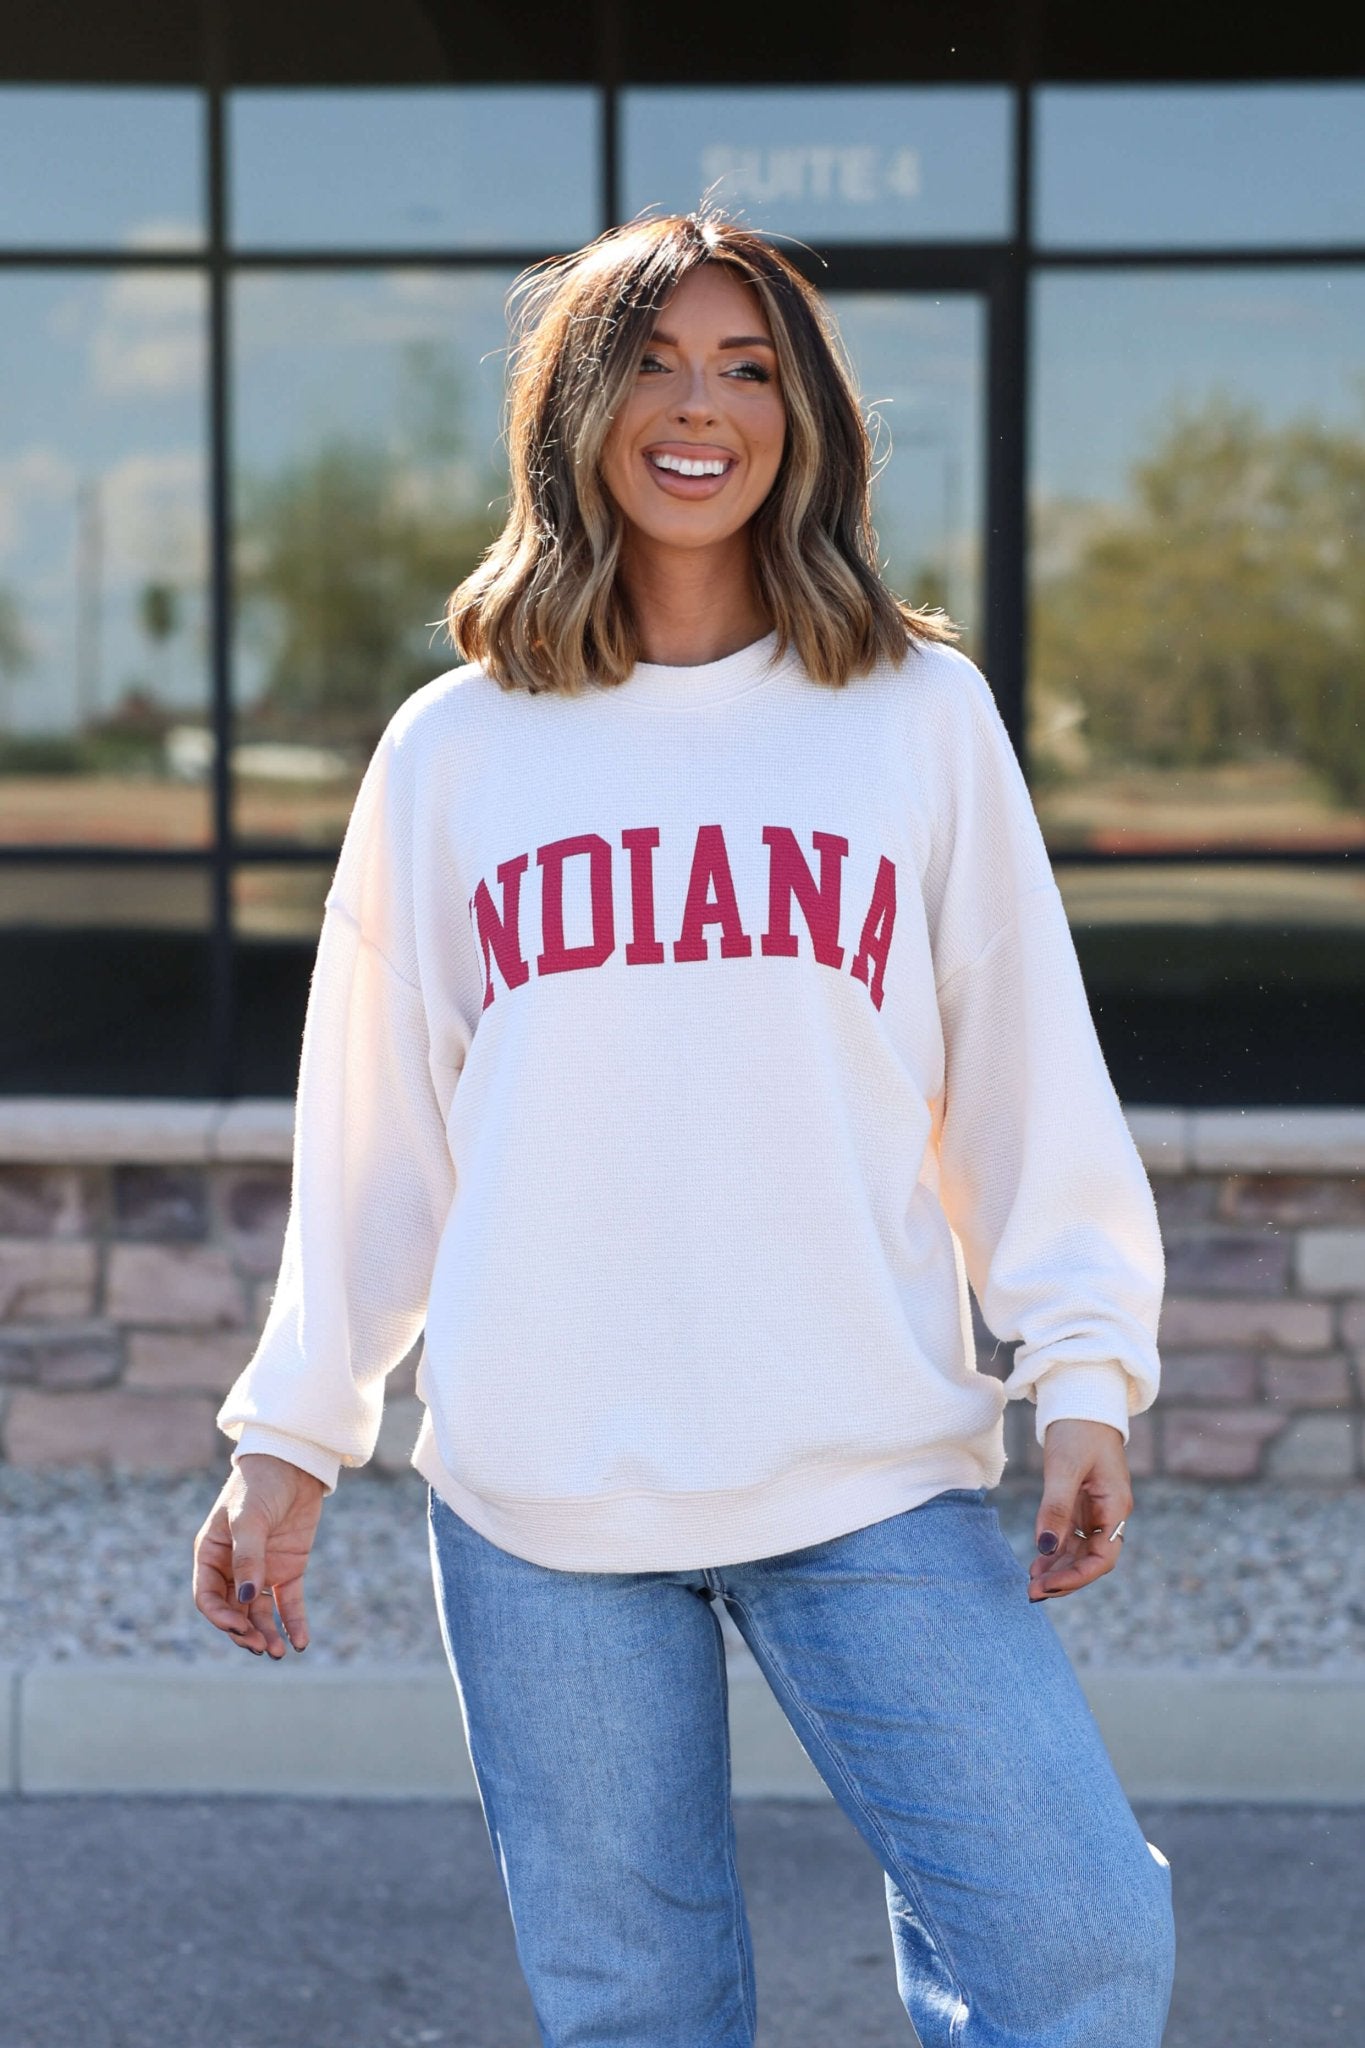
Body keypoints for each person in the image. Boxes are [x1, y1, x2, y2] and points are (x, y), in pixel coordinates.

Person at [193, 209, 1175, 2047]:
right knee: (636, 2014)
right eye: (648, 362)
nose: (697, 406)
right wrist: (293, 1434)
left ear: (802, 414)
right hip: (544, 1488)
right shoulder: (456, 748)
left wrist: (1085, 1367)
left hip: (867, 1463)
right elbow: (378, 1136)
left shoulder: (913, 713)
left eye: (744, 365)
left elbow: (1022, 1062)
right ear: (573, 410)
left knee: (1071, 1947)